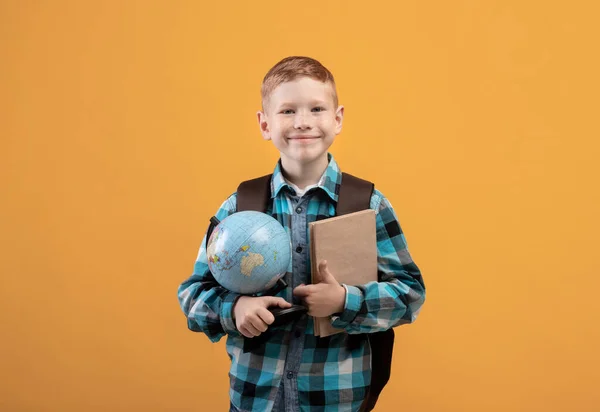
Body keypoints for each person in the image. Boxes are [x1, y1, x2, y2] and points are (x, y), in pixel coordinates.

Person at [177, 56, 426, 412]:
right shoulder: (239, 207)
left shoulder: (368, 205)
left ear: (337, 119)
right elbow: (192, 296)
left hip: (337, 400)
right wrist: (236, 308)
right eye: (288, 111)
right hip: (255, 399)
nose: (303, 122)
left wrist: (343, 301)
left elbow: (410, 293)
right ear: (264, 124)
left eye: (316, 109)